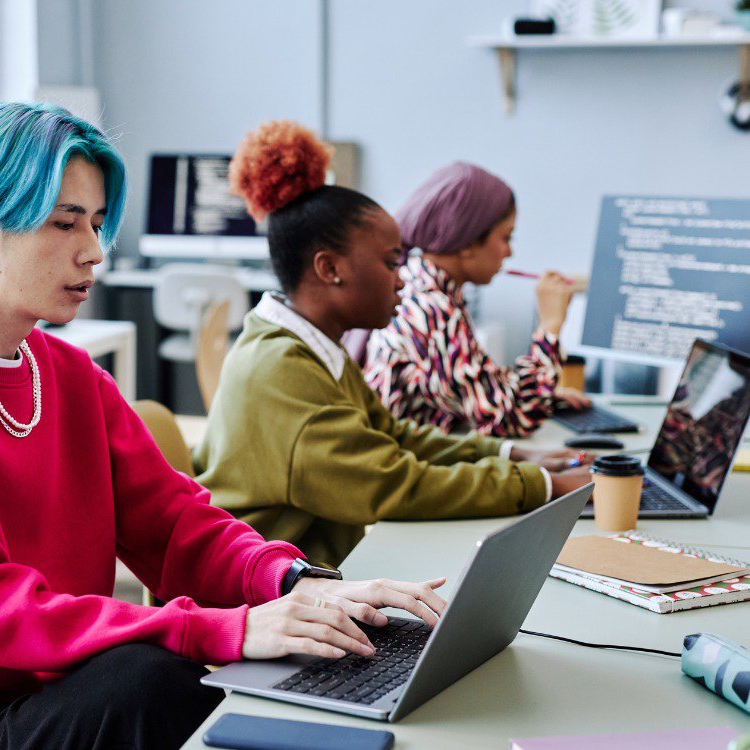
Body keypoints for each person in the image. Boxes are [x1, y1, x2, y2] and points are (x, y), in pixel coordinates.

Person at [0, 102, 449, 750]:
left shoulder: (70, 376)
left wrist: (300, 584)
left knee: (302, 658)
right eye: (64, 223)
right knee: (161, 676)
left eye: (95, 222)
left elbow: (178, 528)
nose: (93, 251)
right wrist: (225, 630)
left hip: (55, 689)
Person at [193, 121, 591, 569]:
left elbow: (394, 437)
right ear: (330, 269)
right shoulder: (282, 369)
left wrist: (515, 455)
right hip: (252, 597)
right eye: (390, 263)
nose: (403, 279)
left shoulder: (310, 346)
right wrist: (542, 485)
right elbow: (392, 484)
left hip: (308, 571)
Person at [360, 161, 589, 438]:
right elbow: (508, 420)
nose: (509, 253)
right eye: (506, 237)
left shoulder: (425, 287)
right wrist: (550, 326)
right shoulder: (431, 307)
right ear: (468, 243)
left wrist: (548, 397)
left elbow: (475, 388)